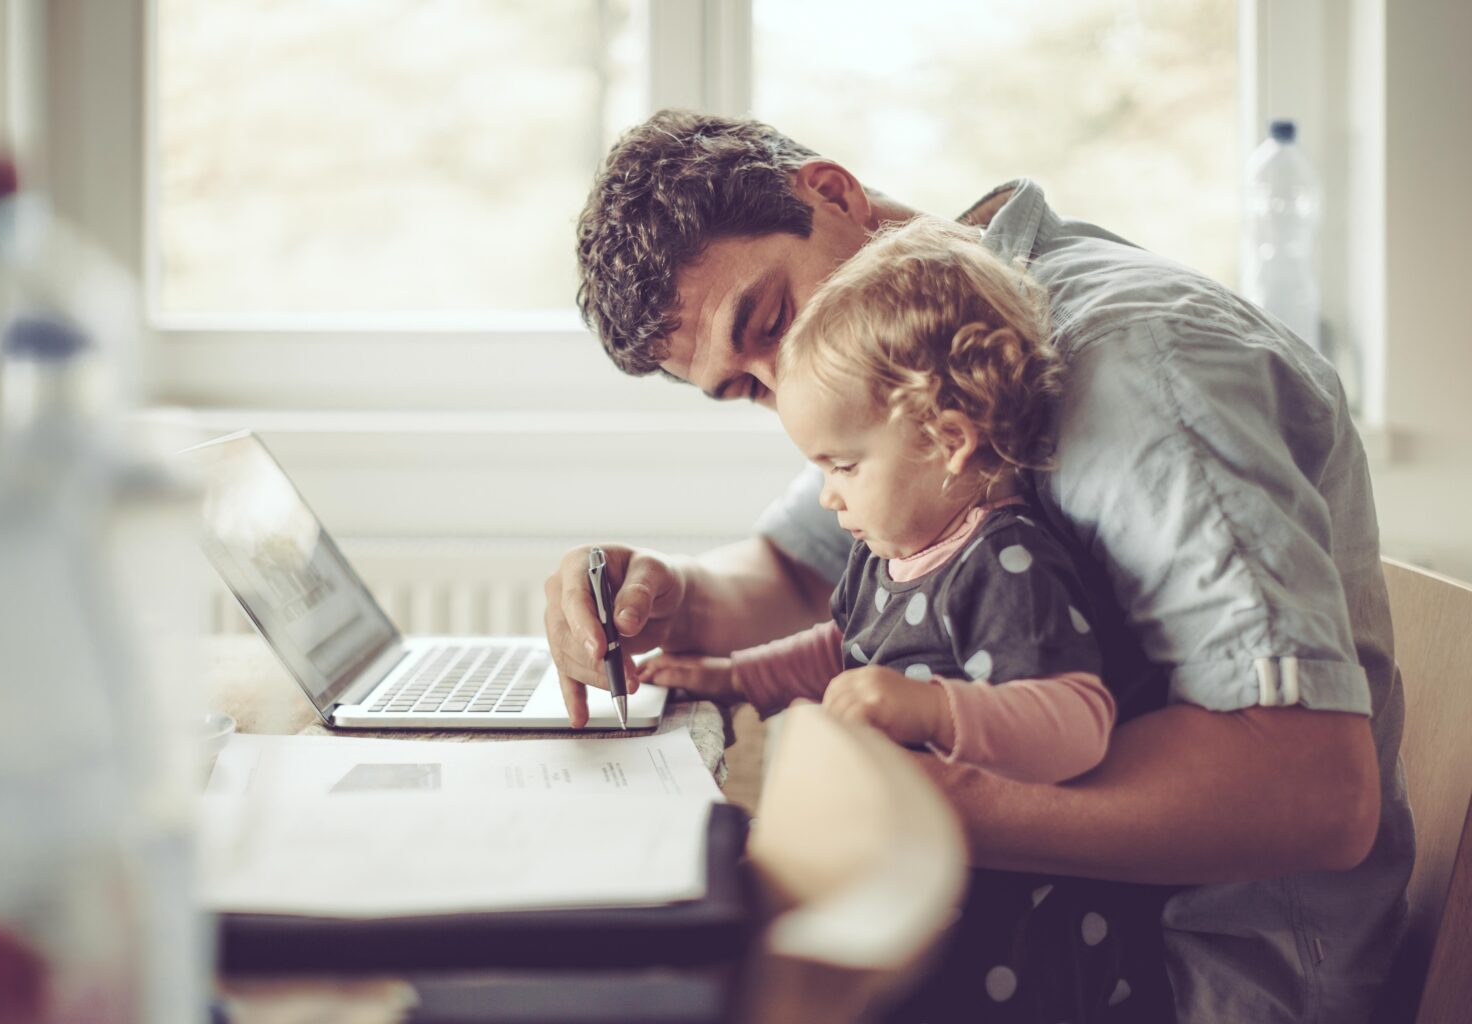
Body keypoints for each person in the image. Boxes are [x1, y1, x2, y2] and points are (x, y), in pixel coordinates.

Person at [547, 110, 1407, 1023]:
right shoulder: (909, 341)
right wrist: (663, 596)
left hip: (1209, 977)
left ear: (833, 194)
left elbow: (1315, 788)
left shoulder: (1136, 366)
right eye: (749, 388)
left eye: (772, 321)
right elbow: (800, 572)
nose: (788, 377)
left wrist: (915, 802)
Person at [640, 213, 1176, 1020]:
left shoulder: (1008, 561)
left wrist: (928, 705)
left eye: (844, 465)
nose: (828, 495)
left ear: (948, 440)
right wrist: (732, 679)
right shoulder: (885, 552)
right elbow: (843, 650)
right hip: (939, 889)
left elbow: (1077, 721)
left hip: (1028, 943)